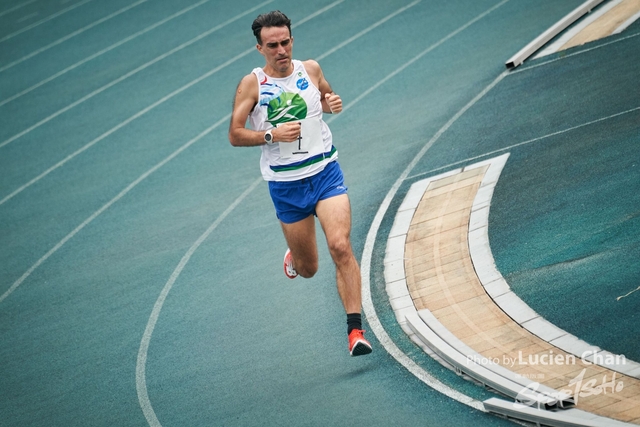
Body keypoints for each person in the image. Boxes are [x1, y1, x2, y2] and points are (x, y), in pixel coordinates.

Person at [228, 10, 372, 357]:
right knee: (309, 269)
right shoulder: (253, 85)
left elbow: (325, 97)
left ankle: (355, 331)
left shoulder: (311, 68)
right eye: (273, 45)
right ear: (259, 48)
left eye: (286, 42)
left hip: (324, 172)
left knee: (340, 246)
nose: (282, 50)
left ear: (293, 39)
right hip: (287, 187)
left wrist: (331, 102)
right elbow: (234, 134)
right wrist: (270, 134)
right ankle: (297, 255)